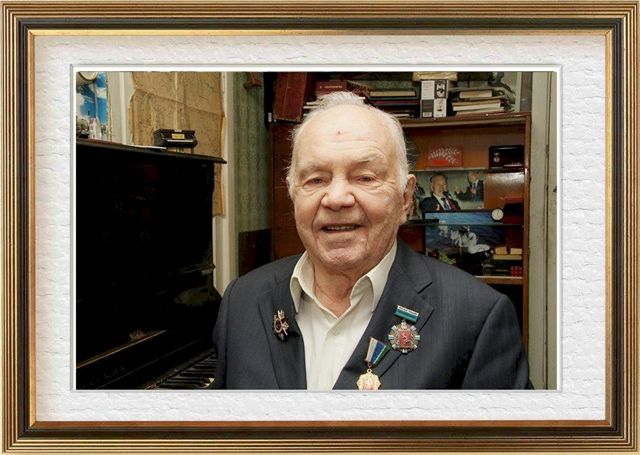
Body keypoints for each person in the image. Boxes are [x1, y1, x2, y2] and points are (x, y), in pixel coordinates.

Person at [212, 92, 530, 390]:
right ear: (294, 194)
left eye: (365, 177)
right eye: (316, 179)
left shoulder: (477, 317)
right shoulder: (242, 301)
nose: (336, 198)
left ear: (405, 198)